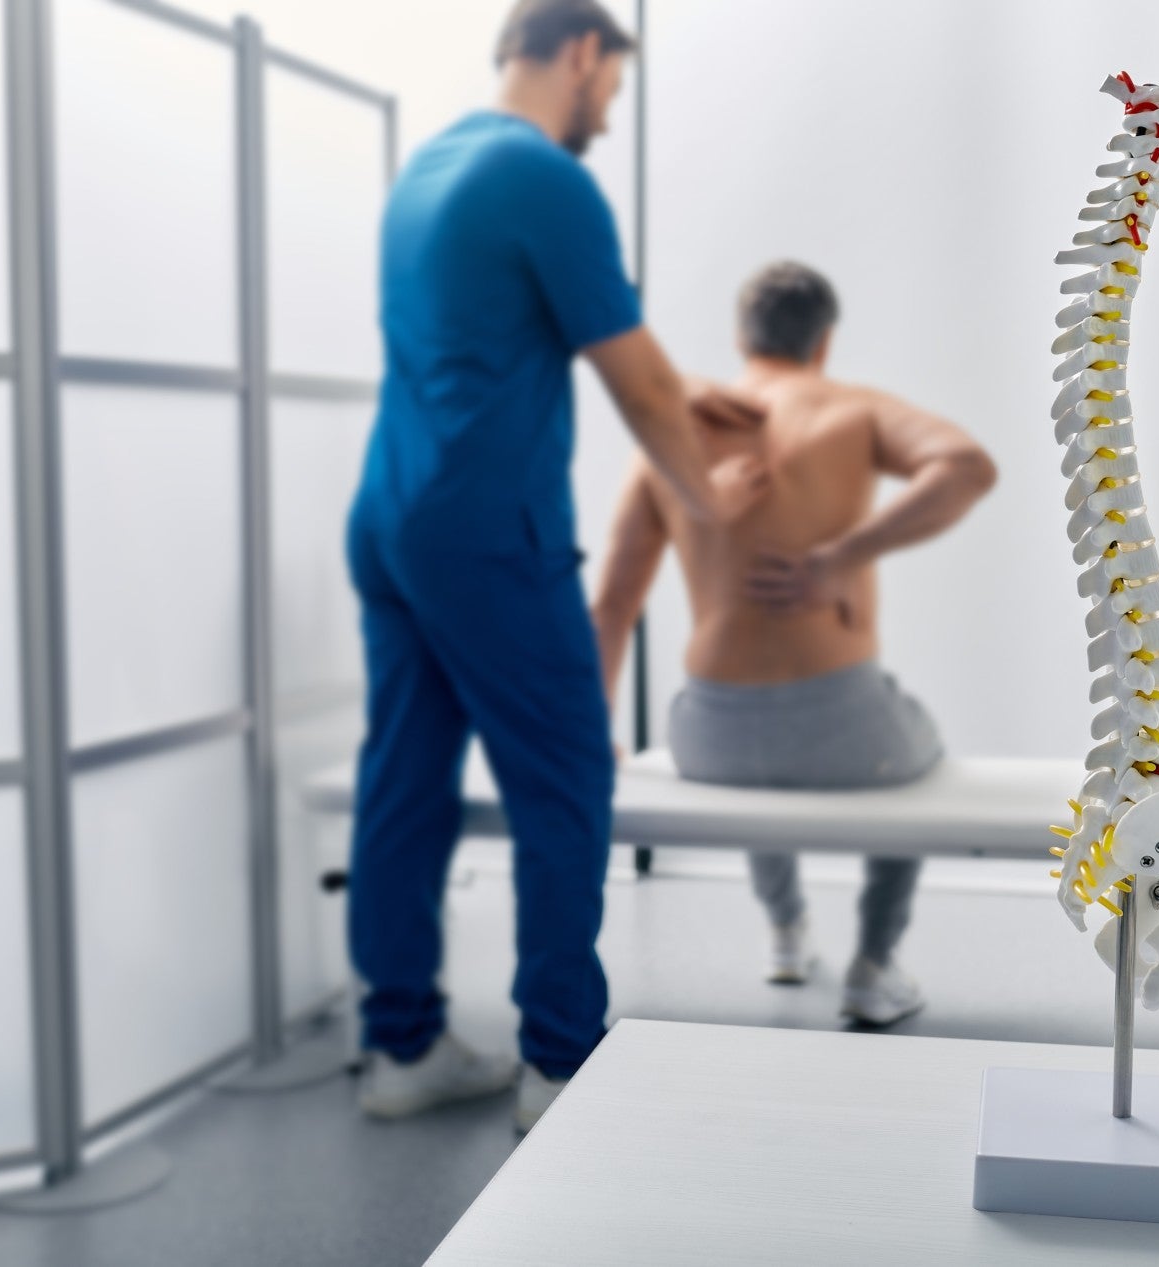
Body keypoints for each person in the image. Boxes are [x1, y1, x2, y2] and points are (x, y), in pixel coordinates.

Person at [345, 0, 769, 1130]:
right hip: (488, 529)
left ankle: (400, 1047)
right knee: (568, 777)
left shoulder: (432, 168)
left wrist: (691, 397)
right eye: (614, 90)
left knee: (404, 775)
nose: (608, 115)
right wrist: (710, 506)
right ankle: (560, 1067)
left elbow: (548, 339)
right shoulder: (546, 178)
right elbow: (633, 385)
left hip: (392, 515)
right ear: (582, 51)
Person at [590, 261, 997, 1023]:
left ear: (743, 338)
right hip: (849, 737)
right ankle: (874, 962)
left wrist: (596, 733)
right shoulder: (852, 409)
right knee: (920, 756)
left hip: (707, 738)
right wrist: (841, 555)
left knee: (760, 780)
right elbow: (967, 468)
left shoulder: (673, 435)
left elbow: (611, 604)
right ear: (824, 341)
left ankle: (784, 930)